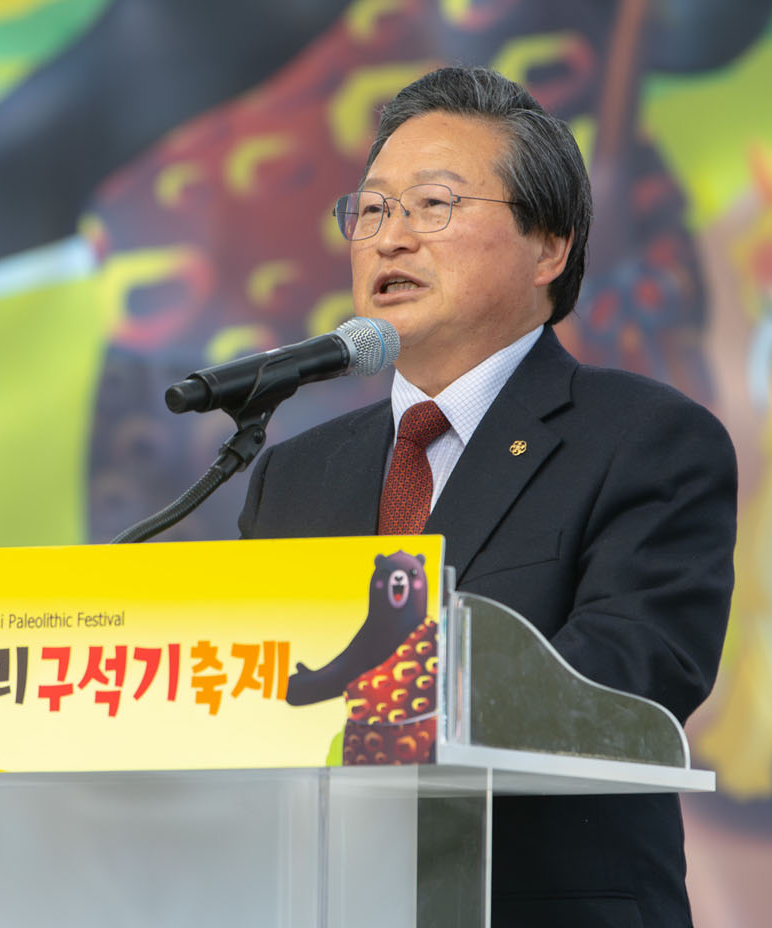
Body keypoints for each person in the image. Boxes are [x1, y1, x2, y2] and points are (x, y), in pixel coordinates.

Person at [238, 66, 736, 925]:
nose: (391, 239)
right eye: (372, 210)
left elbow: (635, 676)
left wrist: (382, 698)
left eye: (433, 205)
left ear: (550, 249)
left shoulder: (645, 439)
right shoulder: (294, 475)